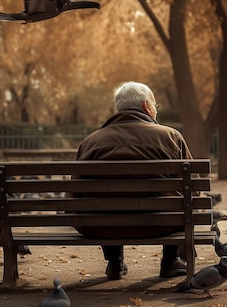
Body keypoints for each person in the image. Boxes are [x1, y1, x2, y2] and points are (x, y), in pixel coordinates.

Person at [74, 81, 194, 280]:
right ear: (147, 106)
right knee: (180, 202)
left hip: (100, 226)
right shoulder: (171, 137)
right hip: (161, 223)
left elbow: (76, 193)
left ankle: (114, 263)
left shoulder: (90, 142)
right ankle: (170, 262)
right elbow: (193, 188)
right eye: (155, 106)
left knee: (105, 201)